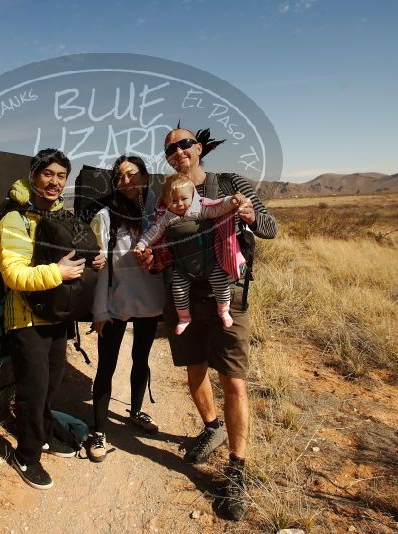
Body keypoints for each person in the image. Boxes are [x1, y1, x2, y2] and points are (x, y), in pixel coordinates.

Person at [137, 128, 277, 520]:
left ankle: (237, 467)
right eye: (170, 148)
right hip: (183, 297)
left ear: (198, 148)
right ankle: (211, 427)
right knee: (194, 369)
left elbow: (271, 227)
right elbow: (162, 250)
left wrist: (250, 214)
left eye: (184, 144)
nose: (178, 150)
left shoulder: (230, 184)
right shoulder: (165, 198)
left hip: (226, 295)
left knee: (233, 380)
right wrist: (151, 261)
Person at [0, 148, 104, 489]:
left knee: (51, 384)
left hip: (56, 317)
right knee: (33, 390)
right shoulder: (15, 221)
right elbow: (13, 275)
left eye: (61, 176)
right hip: (26, 320)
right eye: (48, 174)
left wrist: (93, 261)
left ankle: (42, 433)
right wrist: (57, 272)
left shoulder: (63, 217)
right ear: (33, 176)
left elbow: (76, 259)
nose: (54, 182)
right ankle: (26, 456)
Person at [86, 155, 165, 462]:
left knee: (141, 359)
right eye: (119, 177)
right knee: (106, 366)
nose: (126, 181)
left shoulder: (161, 213)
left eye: (132, 174)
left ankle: (136, 412)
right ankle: (99, 430)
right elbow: (101, 270)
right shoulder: (107, 217)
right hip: (115, 305)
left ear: (145, 176)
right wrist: (99, 312)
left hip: (151, 302)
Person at [134, 173, 244, 334]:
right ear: (166, 201)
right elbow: (153, 233)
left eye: (184, 199)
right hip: (182, 268)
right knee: (178, 291)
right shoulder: (166, 218)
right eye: (173, 201)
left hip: (210, 262)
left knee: (220, 284)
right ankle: (184, 318)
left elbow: (218, 207)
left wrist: (231, 201)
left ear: (193, 196)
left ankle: (223, 311)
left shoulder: (200, 209)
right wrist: (142, 244)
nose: (179, 204)